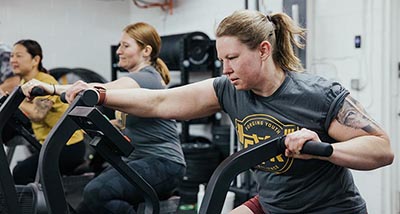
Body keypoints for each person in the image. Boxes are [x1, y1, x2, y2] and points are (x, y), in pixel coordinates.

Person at [53, 10, 394, 213]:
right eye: (221, 59)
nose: (225, 67)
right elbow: (161, 102)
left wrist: (325, 149)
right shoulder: (228, 89)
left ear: (263, 50)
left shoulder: (317, 94)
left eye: (232, 58)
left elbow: (382, 149)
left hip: (327, 209)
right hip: (273, 205)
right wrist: (99, 95)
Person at [22, 22, 186, 214]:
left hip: (164, 163)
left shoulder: (147, 78)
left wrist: (51, 89)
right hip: (139, 160)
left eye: (125, 46)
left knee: (97, 193)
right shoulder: (134, 82)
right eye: (119, 46)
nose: (119, 51)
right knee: (85, 206)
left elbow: (96, 89)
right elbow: (124, 123)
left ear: (146, 50)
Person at [10, 39, 87, 185]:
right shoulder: (23, 84)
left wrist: (13, 98)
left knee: (20, 172)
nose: (13, 60)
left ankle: (36, 208)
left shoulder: (44, 81)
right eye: (12, 56)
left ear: (35, 60)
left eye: (19, 56)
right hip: (49, 145)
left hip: (68, 147)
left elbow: (37, 114)